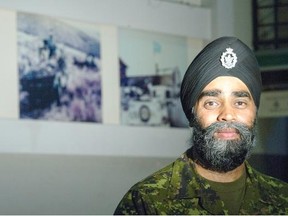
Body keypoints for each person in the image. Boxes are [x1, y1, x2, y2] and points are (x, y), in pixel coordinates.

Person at [114, 36, 288, 215]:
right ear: (192, 114)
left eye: (240, 103)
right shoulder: (146, 202)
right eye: (212, 102)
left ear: (255, 113)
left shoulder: (282, 199)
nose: (227, 115)